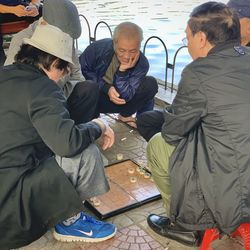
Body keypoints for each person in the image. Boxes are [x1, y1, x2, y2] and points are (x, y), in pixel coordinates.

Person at [138, 1, 250, 246]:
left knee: (158, 146)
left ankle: (185, 225)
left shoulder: (199, 72)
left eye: (186, 37)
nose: (186, 43)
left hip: (236, 184)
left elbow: (172, 131)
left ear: (201, 38)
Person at [0, 23, 117, 249]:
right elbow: (68, 143)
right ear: (54, 63)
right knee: (86, 152)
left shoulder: (5, 73)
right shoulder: (44, 89)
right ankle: (69, 220)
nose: (63, 76)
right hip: (10, 210)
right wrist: (99, 125)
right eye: (63, 69)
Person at [5, 0, 99, 124]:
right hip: (34, 104)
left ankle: (74, 131)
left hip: (61, 94)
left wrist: (59, 96)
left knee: (89, 88)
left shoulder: (65, 39)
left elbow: (77, 75)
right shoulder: (21, 40)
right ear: (44, 22)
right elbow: (13, 85)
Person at [79, 22, 158, 128]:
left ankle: (128, 117)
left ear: (139, 46)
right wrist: (106, 88)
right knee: (88, 87)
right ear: (114, 43)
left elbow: (127, 95)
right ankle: (91, 120)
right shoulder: (98, 48)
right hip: (95, 98)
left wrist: (122, 72)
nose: (127, 56)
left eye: (133, 51)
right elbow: (81, 70)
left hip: (120, 101)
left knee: (150, 84)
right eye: (122, 50)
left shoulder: (142, 64)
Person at [0, 0, 41, 65]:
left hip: (20, 7)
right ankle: (3, 68)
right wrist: (12, 10)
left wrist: (35, 5)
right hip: (4, 9)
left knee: (47, 12)